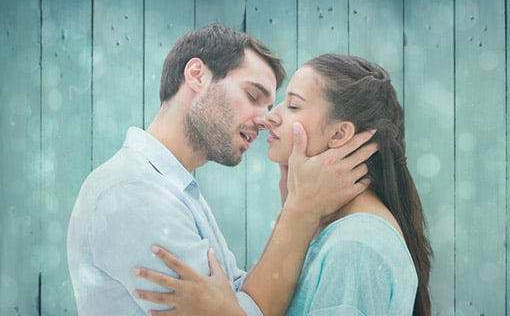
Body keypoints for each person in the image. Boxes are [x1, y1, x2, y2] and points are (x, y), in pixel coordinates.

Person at [67, 24, 377, 316]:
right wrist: (301, 210)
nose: (265, 119)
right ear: (197, 75)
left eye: (271, 106)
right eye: (253, 96)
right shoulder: (132, 194)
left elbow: (237, 296)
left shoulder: (176, 190)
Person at [132, 54, 432, 315]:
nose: (269, 118)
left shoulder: (355, 246)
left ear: (340, 135)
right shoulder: (340, 233)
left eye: (293, 105)